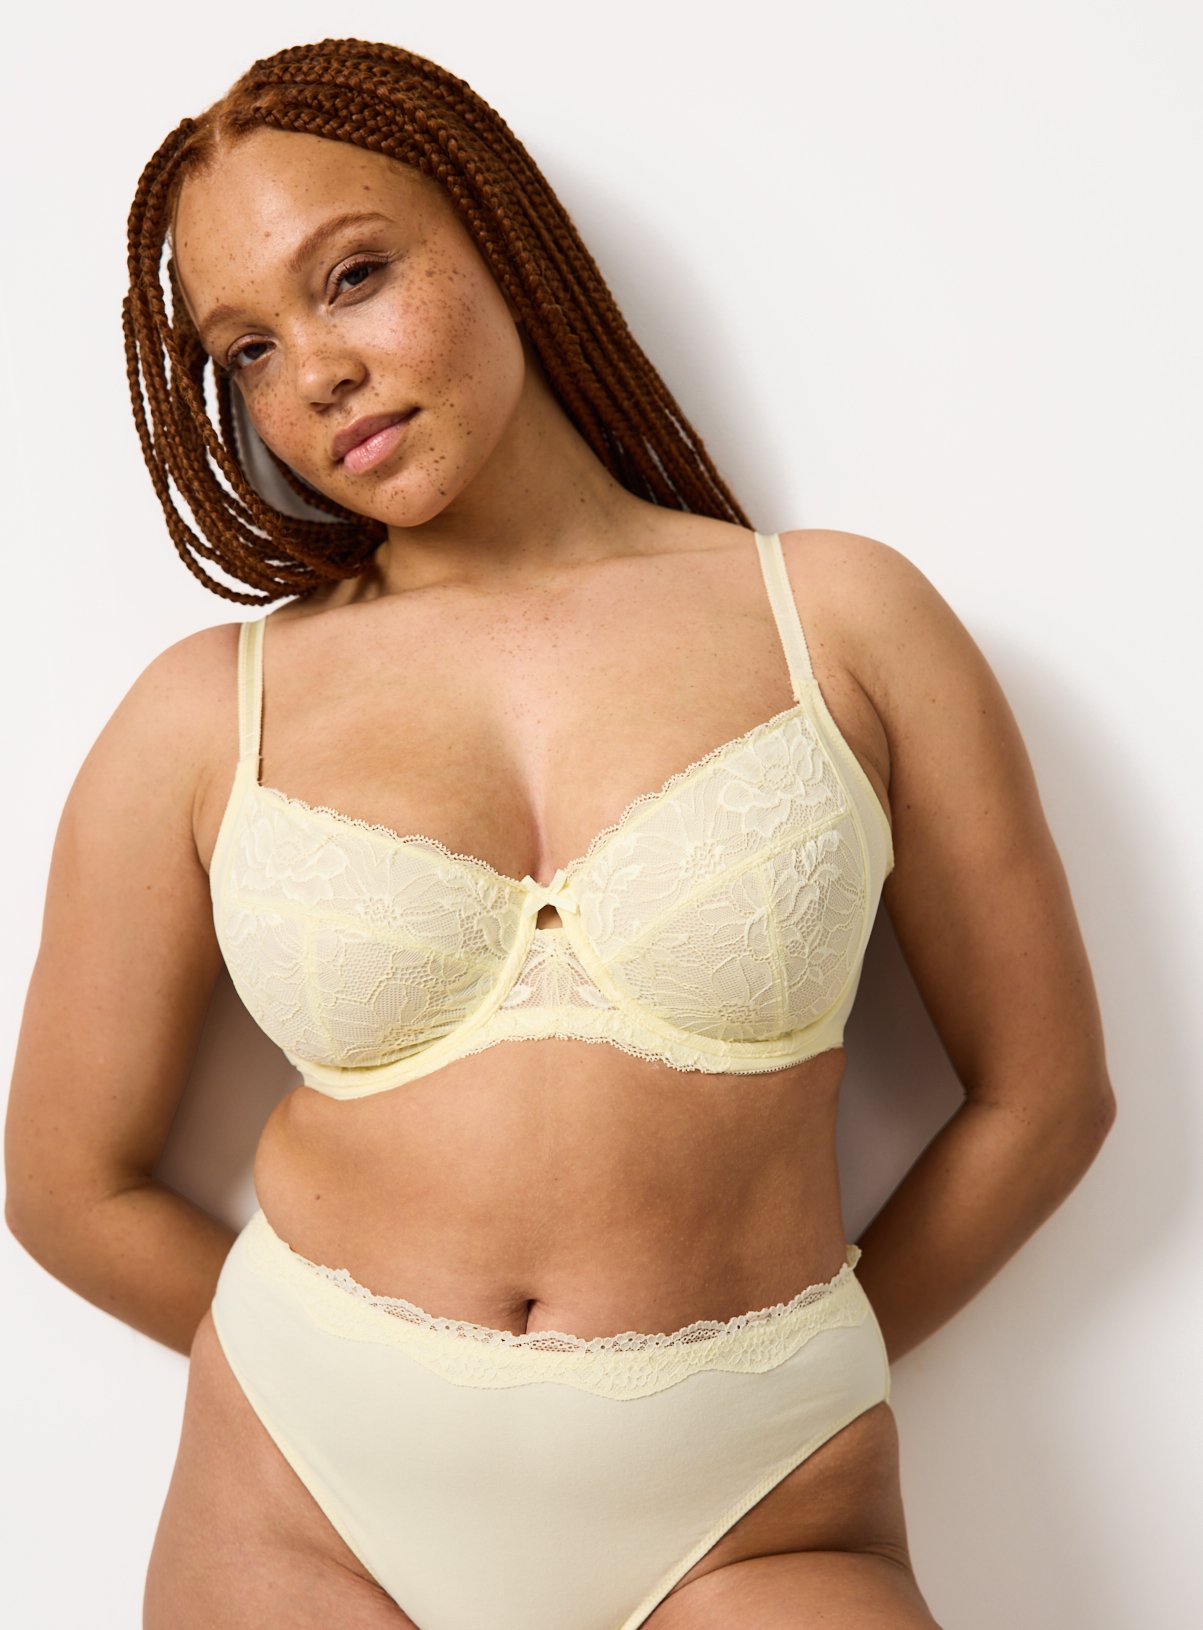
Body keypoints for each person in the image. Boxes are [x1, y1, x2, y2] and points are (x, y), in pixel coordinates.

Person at [4, 35, 1116, 1630]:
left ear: (500, 235)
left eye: (355, 276)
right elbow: (64, 1183)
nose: (313, 373)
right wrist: (361, 1382)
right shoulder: (201, 716)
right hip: (304, 1500)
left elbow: (1045, 1095)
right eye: (245, 349)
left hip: (755, 1510)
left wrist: (785, 1367)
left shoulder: (843, 623)